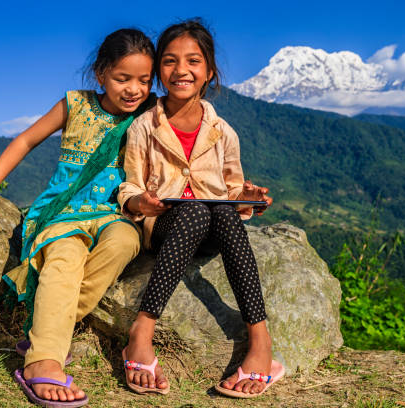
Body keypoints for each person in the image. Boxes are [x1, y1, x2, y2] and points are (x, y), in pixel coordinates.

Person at [0, 28, 155, 407]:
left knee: (124, 242)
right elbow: (25, 140)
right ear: (100, 73)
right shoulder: (75, 104)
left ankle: (47, 331)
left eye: (143, 80)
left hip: (114, 213)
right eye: (123, 78)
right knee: (65, 258)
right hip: (64, 213)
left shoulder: (152, 113)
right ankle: (44, 361)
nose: (134, 89)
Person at [118, 19, 285, 398]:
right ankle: (142, 330)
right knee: (194, 211)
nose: (181, 70)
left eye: (193, 61)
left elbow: (231, 189)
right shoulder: (144, 127)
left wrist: (250, 198)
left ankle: (260, 341)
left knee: (223, 210)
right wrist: (139, 201)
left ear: (209, 71)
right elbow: (129, 183)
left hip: (212, 230)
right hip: (164, 229)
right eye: (170, 61)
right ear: (158, 70)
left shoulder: (222, 131)